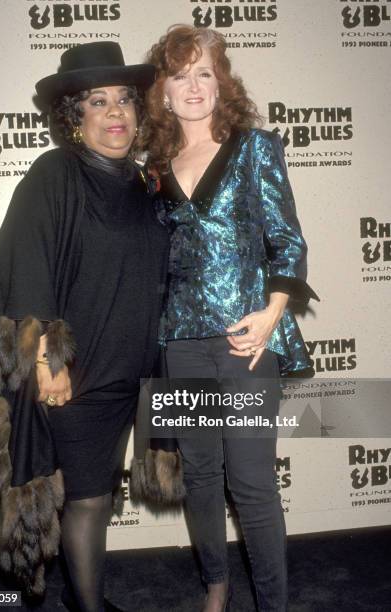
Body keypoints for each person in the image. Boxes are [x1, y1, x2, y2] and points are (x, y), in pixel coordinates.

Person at [0, 42, 172, 612]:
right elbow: (29, 268)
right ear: (75, 118)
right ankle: (89, 606)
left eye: (125, 99)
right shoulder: (55, 174)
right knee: (89, 500)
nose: (116, 112)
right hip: (75, 375)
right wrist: (49, 360)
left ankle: (84, 599)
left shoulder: (146, 185)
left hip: (132, 373)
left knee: (96, 494)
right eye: (98, 102)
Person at [141, 25, 319, 612]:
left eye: (205, 73)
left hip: (246, 341)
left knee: (252, 483)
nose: (193, 86)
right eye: (180, 75)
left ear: (223, 82)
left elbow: (288, 242)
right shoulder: (154, 165)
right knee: (198, 476)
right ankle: (215, 586)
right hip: (182, 343)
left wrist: (271, 316)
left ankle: (273, 604)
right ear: (162, 90)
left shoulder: (254, 148)